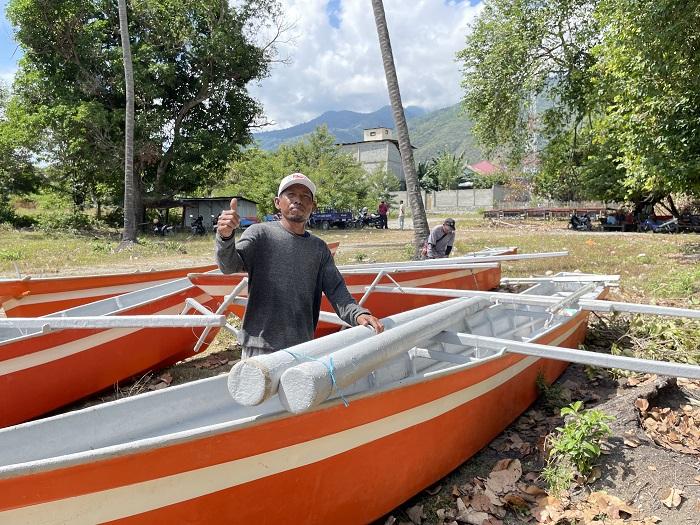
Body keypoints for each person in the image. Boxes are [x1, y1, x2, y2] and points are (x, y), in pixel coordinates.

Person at [216, 173, 384, 358]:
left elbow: (337, 291)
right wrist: (225, 236)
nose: (298, 200)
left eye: (305, 196)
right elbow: (228, 266)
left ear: (313, 205)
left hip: (302, 347)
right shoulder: (260, 234)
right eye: (291, 195)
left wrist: (358, 314)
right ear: (277, 202)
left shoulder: (319, 248)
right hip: (259, 346)